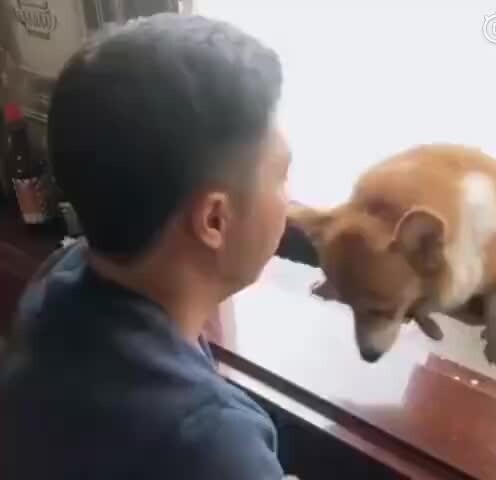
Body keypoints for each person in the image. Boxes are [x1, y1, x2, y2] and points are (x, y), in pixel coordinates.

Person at [0, 13, 304, 480]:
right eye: (282, 175)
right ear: (214, 220)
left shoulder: (63, 274)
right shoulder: (210, 441)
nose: (290, 197)